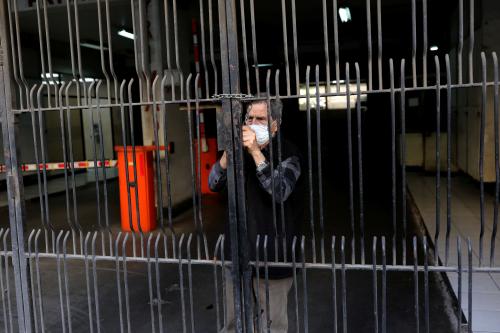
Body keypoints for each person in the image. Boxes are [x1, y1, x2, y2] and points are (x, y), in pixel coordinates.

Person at [208, 97, 304, 333]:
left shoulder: (289, 153)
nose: (252, 124)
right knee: (233, 323)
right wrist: (227, 156)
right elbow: (213, 183)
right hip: (237, 253)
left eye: (260, 119)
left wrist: (255, 152)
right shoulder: (237, 152)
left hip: (273, 256)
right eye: (249, 118)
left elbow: (280, 190)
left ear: (275, 124)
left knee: (272, 325)